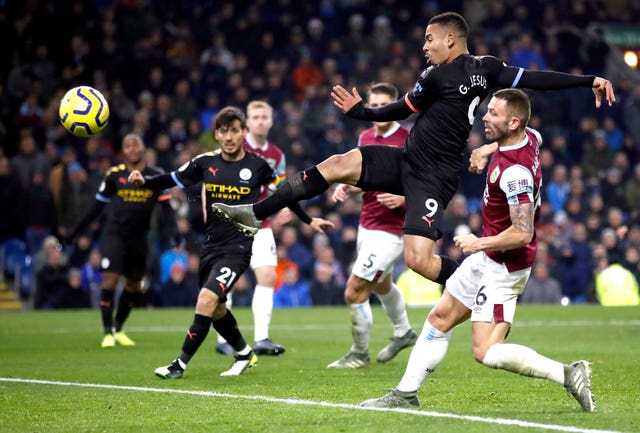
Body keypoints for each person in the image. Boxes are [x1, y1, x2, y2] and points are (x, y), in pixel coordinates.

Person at [211, 11, 614, 297]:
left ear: (449, 39)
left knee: (420, 261)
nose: (424, 46)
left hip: (434, 177)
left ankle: (476, 288)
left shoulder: (449, 73)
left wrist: (361, 112)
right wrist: (585, 80)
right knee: (337, 164)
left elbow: (402, 109)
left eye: (429, 38)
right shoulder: (480, 69)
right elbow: (536, 80)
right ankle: (254, 214)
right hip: (406, 159)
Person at [359, 88, 595, 412]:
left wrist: (477, 242)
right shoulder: (529, 138)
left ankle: (568, 374)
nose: (484, 116)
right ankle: (405, 394)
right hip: (488, 257)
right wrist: (488, 148)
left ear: (512, 122)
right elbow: (532, 132)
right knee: (439, 317)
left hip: (505, 266)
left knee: (484, 351)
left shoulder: (515, 174)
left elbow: (523, 232)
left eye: (493, 114)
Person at [128, 107, 334, 378]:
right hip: (210, 245)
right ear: (217, 134)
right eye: (223, 131)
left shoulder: (258, 165)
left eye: (234, 130)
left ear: (243, 133)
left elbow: (284, 194)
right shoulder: (204, 162)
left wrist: (308, 220)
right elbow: (173, 179)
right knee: (217, 309)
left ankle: (179, 365)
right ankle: (244, 353)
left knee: (205, 300)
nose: (228, 136)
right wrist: (145, 181)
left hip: (238, 246)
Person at [327, 82, 417, 369]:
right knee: (381, 284)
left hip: (394, 230)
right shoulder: (365, 136)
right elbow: (364, 175)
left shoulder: (409, 138)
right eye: (373, 106)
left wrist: (403, 197)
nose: (377, 110)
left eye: (383, 106)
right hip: (368, 222)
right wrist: (346, 186)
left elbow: (428, 184)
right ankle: (403, 332)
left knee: (354, 290)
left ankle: (359, 353)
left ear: (395, 107)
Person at [66, 133, 173, 348]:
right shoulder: (114, 175)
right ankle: (107, 332)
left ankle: (118, 327)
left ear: (143, 149)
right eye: (128, 146)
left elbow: (166, 208)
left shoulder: (155, 175)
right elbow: (96, 207)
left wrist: (173, 234)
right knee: (110, 280)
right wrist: (76, 230)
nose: (133, 149)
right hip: (115, 235)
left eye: (136, 144)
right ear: (123, 152)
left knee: (134, 285)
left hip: (140, 238)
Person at [215, 100, 289, 357]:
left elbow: (276, 187)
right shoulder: (235, 145)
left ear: (270, 121)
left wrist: (285, 206)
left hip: (261, 222)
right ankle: (224, 338)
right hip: (231, 222)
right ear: (247, 122)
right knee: (228, 280)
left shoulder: (277, 154)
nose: (259, 121)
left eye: (263, 117)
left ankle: (262, 338)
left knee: (267, 275)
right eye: (255, 117)